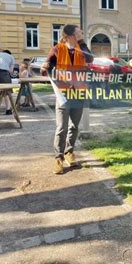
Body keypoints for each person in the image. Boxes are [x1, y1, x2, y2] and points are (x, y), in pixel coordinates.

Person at [40, 24, 93, 174]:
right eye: (78, 32)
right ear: (69, 35)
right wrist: (45, 67)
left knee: (74, 126)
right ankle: (59, 157)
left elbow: (90, 59)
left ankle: (70, 152)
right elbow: (47, 65)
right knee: (62, 127)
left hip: (79, 93)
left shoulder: (81, 47)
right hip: (63, 94)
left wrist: (81, 42)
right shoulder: (57, 49)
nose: (81, 33)